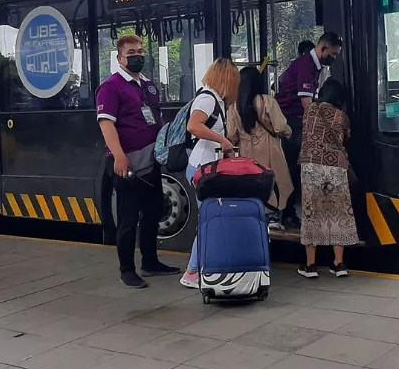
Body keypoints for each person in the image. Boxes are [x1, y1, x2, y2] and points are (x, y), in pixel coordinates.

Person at [96, 34, 180, 289]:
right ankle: (127, 270)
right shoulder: (111, 86)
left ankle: (150, 262)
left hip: (151, 161)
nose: (137, 56)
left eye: (140, 52)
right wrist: (119, 157)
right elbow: (106, 124)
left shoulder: (148, 85)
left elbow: (156, 118)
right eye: (131, 53)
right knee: (128, 218)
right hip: (128, 164)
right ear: (120, 58)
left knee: (153, 212)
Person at [179, 58, 240, 289]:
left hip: (208, 168)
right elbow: (194, 126)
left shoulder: (214, 99)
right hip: (202, 170)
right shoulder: (207, 99)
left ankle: (203, 267)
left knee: (212, 218)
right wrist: (222, 139)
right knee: (209, 219)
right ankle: (192, 272)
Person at [275, 32, 343, 227]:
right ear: (323, 48)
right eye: (333, 53)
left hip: (296, 120)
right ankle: (288, 213)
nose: (334, 58)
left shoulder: (315, 66)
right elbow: (306, 103)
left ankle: (291, 211)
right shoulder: (306, 65)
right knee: (295, 168)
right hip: (291, 121)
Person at [297, 79, 356, 279]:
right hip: (335, 167)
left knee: (311, 212)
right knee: (337, 213)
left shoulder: (311, 110)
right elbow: (347, 138)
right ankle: (339, 264)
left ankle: (310, 265)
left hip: (311, 166)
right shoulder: (342, 117)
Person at [227, 66, 293, 230]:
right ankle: (273, 216)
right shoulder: (267, 101)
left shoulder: (234, 107)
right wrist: (290, 133)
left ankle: (253, 214)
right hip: (269, 147)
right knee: (274, 181)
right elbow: (280, 127)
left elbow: (231, 135)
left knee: (252, 182)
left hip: (246, 151)